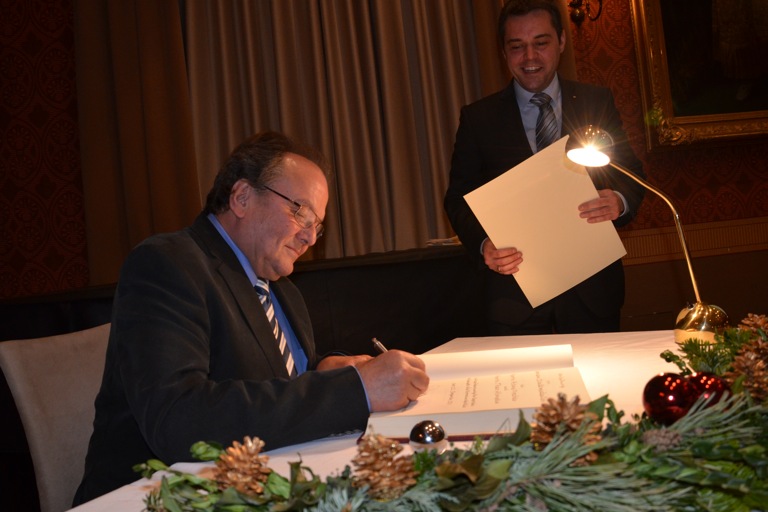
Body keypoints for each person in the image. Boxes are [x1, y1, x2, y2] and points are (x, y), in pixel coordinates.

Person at [74, 131, 429, 504]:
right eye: (300, 212)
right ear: (242, 197)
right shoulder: (168, 265)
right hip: (161, 498)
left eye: (318, 225)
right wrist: (355, 389)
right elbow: (179, 419)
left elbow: (269, 382)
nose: (310, 238)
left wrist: (323, 368)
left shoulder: (281, 290)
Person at [444, 0, 646, 335]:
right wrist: (483, 245)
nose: (530, 57)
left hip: (592, 291)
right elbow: (457, 199)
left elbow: (632, 174)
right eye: (517, 46)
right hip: (514, 295)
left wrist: (619, 201)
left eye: (541, 43)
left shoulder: (596, 102)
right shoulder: (479, 119)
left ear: (561, 41)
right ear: (503, 52)